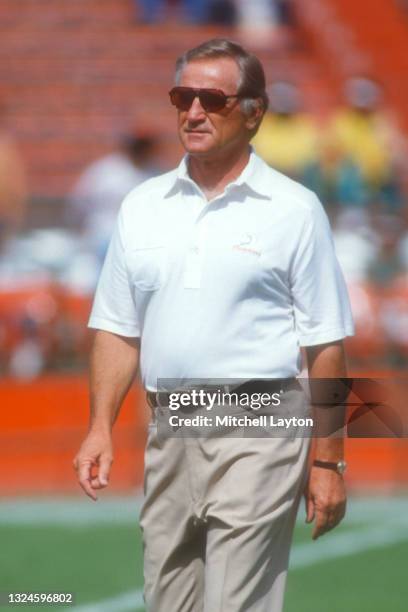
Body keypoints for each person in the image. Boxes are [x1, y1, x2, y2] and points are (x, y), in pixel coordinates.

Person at [74, 39, 354, 611]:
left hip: (263, 422)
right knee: (168, 601)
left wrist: (328, 461)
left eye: (211, 99)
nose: (193, 112)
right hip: (171, 424)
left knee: (236, 602)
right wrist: (100, 426)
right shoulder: (141, 205)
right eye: (183, 96)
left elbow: (325, 345)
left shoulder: (294, 209)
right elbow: (117, 329)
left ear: (254, 112)